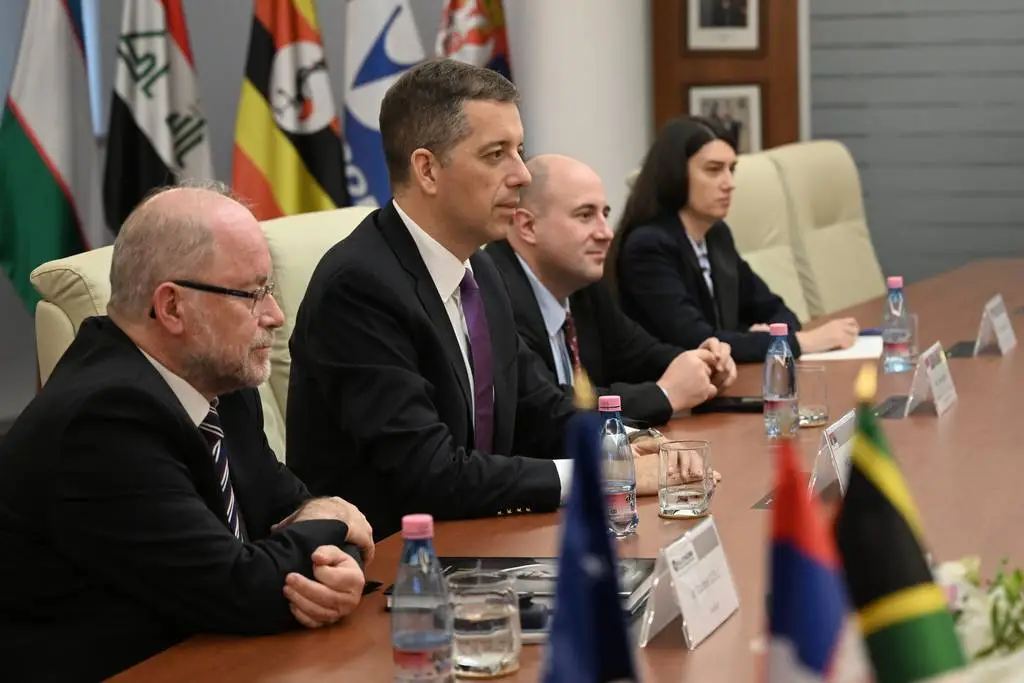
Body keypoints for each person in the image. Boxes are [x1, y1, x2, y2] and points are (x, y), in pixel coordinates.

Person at [0, 183, 374, 682]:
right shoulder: (103, 419)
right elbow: (239, 587)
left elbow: (290, 510)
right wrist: (335, 525)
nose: (274, 315)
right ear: (172, 307)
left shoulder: (219, 380)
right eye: (253, 294)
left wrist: (337, 563)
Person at [287, 59, 667, 541]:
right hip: (393, 563)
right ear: (427, 169)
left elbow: (540, 409)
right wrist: (604, 473)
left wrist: (627, 443)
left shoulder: (482, 270)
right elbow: (430, 472)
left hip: (482, 538)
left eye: (520, 151)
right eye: (495, 155)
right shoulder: (359, 287)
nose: (522, 175)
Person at [488, 153, 737, 426]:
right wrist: (664, 394)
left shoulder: (582, 285)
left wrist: (703, 362)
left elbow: (639, 354)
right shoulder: (493, 295)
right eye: (585, 215)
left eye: (604, 214)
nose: (606, 233)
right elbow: (546, 409)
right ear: (528, 226)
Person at [610, 115, 859, 363]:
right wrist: (799, 342)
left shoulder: (717, 235)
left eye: (732, 169)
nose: (729, 184)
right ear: (676, 174)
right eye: (714, 170)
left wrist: (769, 337)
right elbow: (696, 341)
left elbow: (777, 311)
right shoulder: (648, 247)